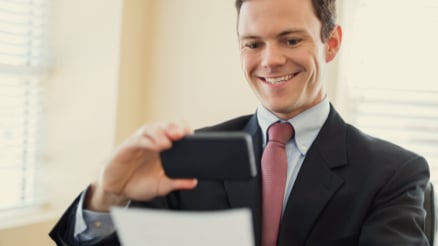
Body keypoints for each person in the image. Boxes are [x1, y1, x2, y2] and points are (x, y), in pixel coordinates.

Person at [50, 0, 430, 245]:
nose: (270, 60)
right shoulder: (188, 156)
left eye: (291, 40)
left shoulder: (393, 173)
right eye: (253, 44)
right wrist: (107, 195)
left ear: (331, 43)